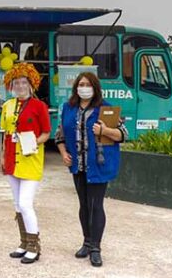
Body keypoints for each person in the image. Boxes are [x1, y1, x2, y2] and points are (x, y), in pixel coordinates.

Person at [56, 72, 126, 268]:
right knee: (84, 205)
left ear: (95, 87)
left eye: (87, 84)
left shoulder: (107, 109)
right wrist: (63, 153)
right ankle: (86, 242)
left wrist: (104, 131)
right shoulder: (68, 109)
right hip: (78, 166)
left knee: (96, 205)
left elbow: (122, 134)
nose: (83, 87)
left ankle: (96, 248)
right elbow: (59, 135)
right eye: (81, 84)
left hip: (98, 165)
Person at [0, 63, 51, 264]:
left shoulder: (40, 106)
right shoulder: (7, 106)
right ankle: (23, 242)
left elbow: (46, 133)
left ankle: (34, 245)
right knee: (17, 205)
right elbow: (5, 134)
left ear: (31, 84)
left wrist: (32, 142)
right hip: (12, 160)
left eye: (24, 82)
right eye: (16, 82)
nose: (20, 86)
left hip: (31, 159)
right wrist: (2, 158)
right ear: (11, 85)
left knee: (25, 203)